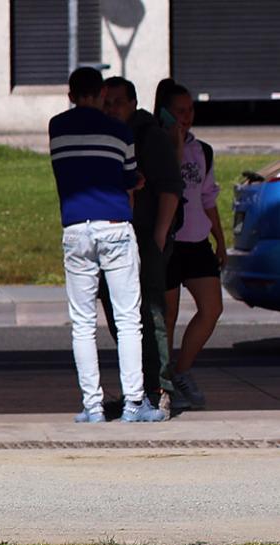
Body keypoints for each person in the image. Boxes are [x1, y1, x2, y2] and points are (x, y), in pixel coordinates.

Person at [51, 68, 164, 424]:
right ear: (101, 94)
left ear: (70, 95)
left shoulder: (56, 127)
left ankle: (92, 406)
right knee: (128, 317)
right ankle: (134, 403)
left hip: (75, 229)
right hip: (115, 227)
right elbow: (129, 177)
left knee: (82, 322)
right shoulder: (119, 130)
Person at [100, 76, 180, 416]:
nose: (112, 108)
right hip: (114, 235)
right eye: (107, 102)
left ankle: (160, 387)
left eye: (118, 101)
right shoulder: (108, 136)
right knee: (120, 314)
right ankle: (136, 389)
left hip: (146, 235)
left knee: (151, 311)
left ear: (133, 103)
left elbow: (170, 188)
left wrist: (160, 235)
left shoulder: (149, 136)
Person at [162, 83, 224, 410]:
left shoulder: (202, 150)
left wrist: (220, 239)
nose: (187, 117)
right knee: (167, 316)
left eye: (190, 110)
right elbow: (166, 181)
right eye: (180, 111)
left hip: (197, 240)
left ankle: (181, 370)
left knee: (212, 308)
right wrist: (172, 143)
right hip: (169, 242)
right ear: (165, 111)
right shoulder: (158, 144)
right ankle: (162, 382)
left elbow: (207, 197)